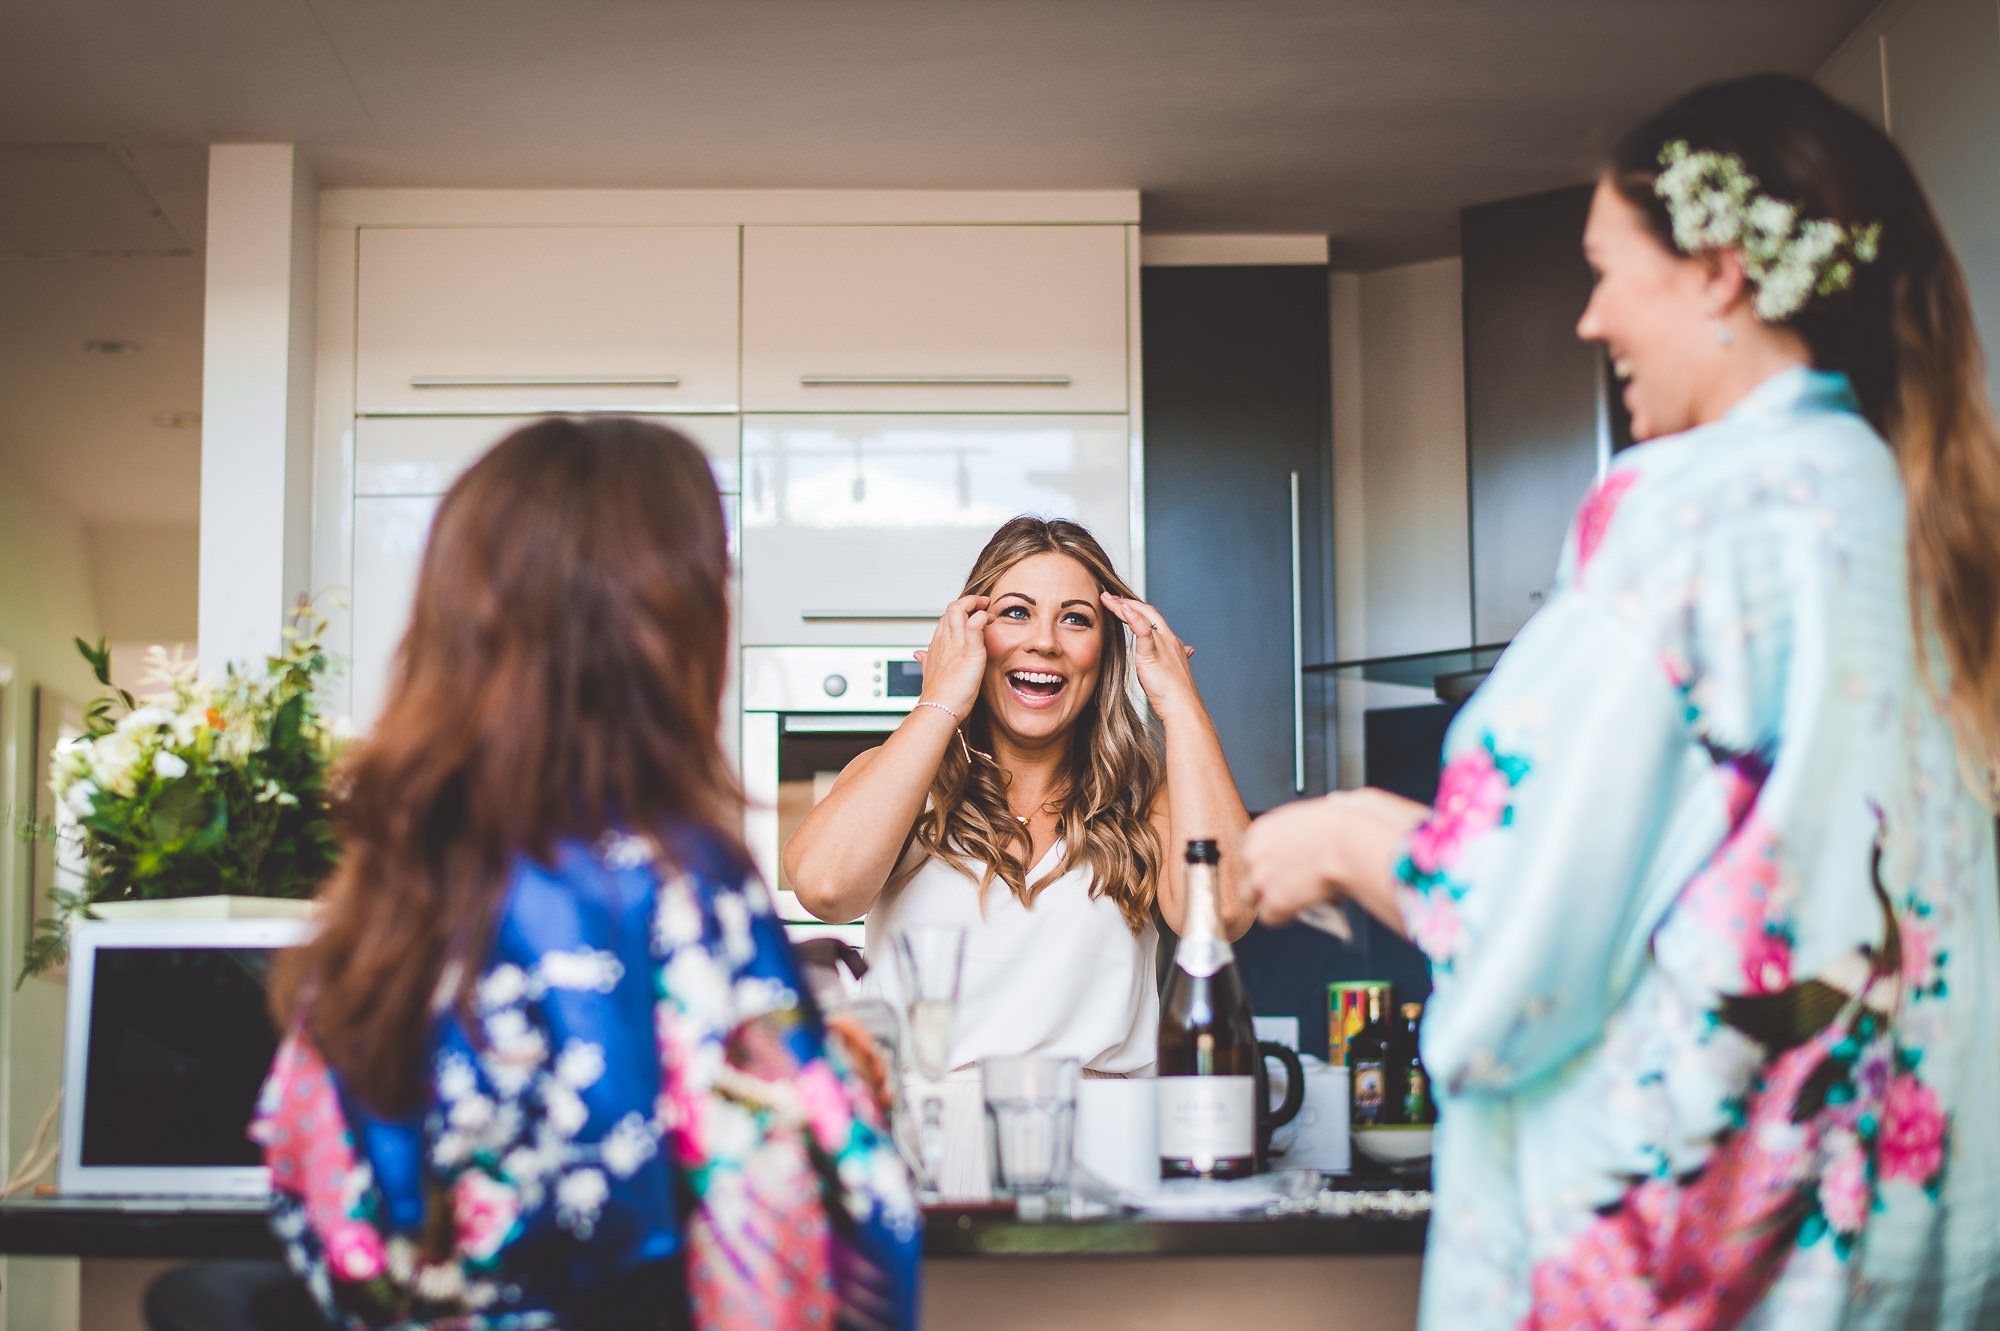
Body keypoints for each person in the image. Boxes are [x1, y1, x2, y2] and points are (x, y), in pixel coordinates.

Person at [1243, 74, 2000, 1328]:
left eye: (1607, 268)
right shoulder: (1909, 520)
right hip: (1894, 1267)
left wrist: (1340, 834)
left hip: (1696, 1276)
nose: (1591, 318)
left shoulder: (1682, 514)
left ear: (1714, 271)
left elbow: (1518, 945)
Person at [147, 418, 919, 1331]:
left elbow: (322, 1207)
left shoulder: (391, 891)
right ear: (664, 630)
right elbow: (822, 1236)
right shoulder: (675, 882)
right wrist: (835, 1088)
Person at [784, 518, 1250, 1099]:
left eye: (1075, 618)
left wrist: (1180, 704)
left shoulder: (1145, 796)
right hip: (927, 1146)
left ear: (1105, 651)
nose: (1045, 641)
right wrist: (941, 698)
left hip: (1105, 1148)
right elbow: (826, 889)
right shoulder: (903, 780)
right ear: (973, 635)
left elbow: (1225, 912)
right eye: (1015, 612)